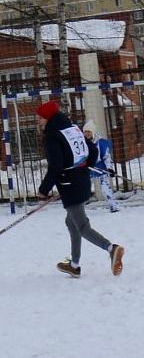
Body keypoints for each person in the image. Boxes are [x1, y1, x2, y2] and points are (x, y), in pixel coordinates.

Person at [35, 101, 125, 278]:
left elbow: (56, 166)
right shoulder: (72, 129)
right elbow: (92, 149)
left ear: (48, 118)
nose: (38, 121)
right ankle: (74, 265)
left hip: (70, 186)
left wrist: (43, 191)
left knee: (82, 226)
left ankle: (111, 248)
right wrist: (84, 166)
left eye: (40, 118)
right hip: (81, 181)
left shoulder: (53, 135)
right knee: (71, 223)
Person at [82, 120, 120, 212]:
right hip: (88, 167)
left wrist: (109, 168)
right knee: (83, 186)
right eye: (85, 132)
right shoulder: (82, 143)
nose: (87, 134)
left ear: (93, 132)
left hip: (101, 167)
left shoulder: (101, 143)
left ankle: (113, 205)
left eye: (89, 131)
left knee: (105, 187)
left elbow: (106, 157)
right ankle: (79, 208)